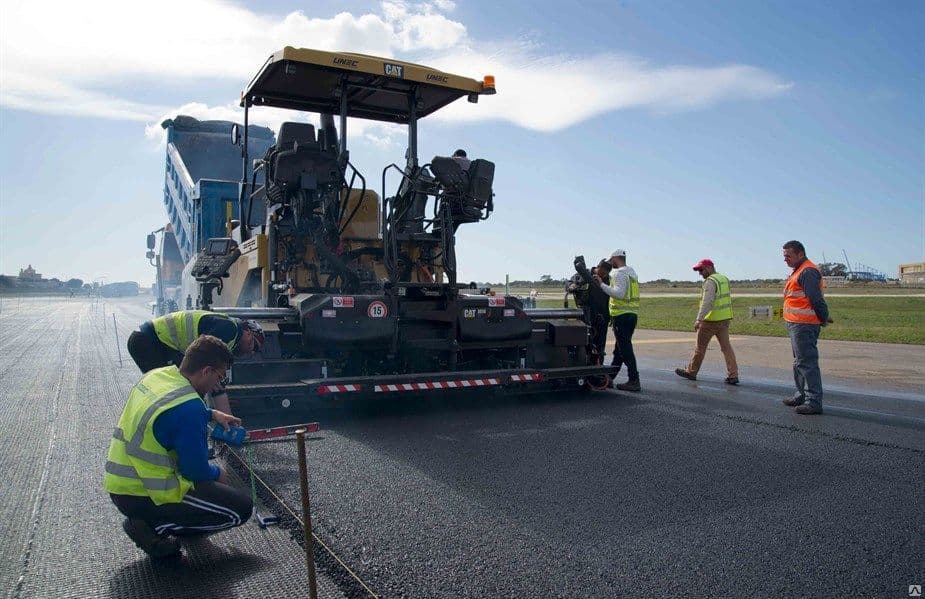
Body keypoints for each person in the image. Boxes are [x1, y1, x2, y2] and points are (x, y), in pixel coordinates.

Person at [104, 335, 253, 558]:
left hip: (121, 485)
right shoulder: (189, 408)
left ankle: (158, 519)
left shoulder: (157, 376)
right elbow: (196, 472)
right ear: (206, 371)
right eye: (219, 377)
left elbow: (168, 414)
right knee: (240, 509)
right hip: (145, 494)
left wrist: (211, 414)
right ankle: (153, 528)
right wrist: (218, 473)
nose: (218, 384)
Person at [126, 310, 264, 415]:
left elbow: (212, 378)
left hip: (147, 339)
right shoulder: (230, 329)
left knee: (176, 390)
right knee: (176, 391)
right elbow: (202, 368)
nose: (250, 351)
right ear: (247, 332)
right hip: (150, 341)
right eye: (253, 345)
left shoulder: (230, 336)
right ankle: (183, 433)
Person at [781, 240, 831, 415]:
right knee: (799, 362)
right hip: (797, 323)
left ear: (800, 254)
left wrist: (823, 317)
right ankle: (801, 394)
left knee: (807, 363)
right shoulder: (799, 270)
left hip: (804, 325)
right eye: (784, 256)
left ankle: (814, 401)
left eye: (788, 255)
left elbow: (816, 299)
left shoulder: (808, 271)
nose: (785, 259)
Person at [674, 259, 739, 384]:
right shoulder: (723, 279)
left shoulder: (710, 281)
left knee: (700, 348)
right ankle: (733, 374)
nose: (700, 273)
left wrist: (699, 319)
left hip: (710, 320)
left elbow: (707, 302)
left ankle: (691, 371)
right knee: (726, 348)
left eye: (701, 270)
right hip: (724, 319)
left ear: (709, 268)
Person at [594, 249, 641, 391]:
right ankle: (610, 378)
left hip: (622, 316)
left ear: (615, 258)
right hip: (631, 314)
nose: (610, 264)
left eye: (611, 260)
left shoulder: (619, 273)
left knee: (625, 349)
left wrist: (601, 285)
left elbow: (619, 294)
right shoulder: (631, 272)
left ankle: (634, 379)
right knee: (619, 349)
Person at [573, 257, 613, 365]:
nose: (603, 276)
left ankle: (598, 369)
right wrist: (572, 286)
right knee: (583, 343)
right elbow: (569, 283)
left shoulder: (609, 280)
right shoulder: (583, 275)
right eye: (602, 273)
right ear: (598, 267)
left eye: (606, 274)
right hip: (585, 316)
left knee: (600, 346)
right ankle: (583, 365)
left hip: (602, 317)